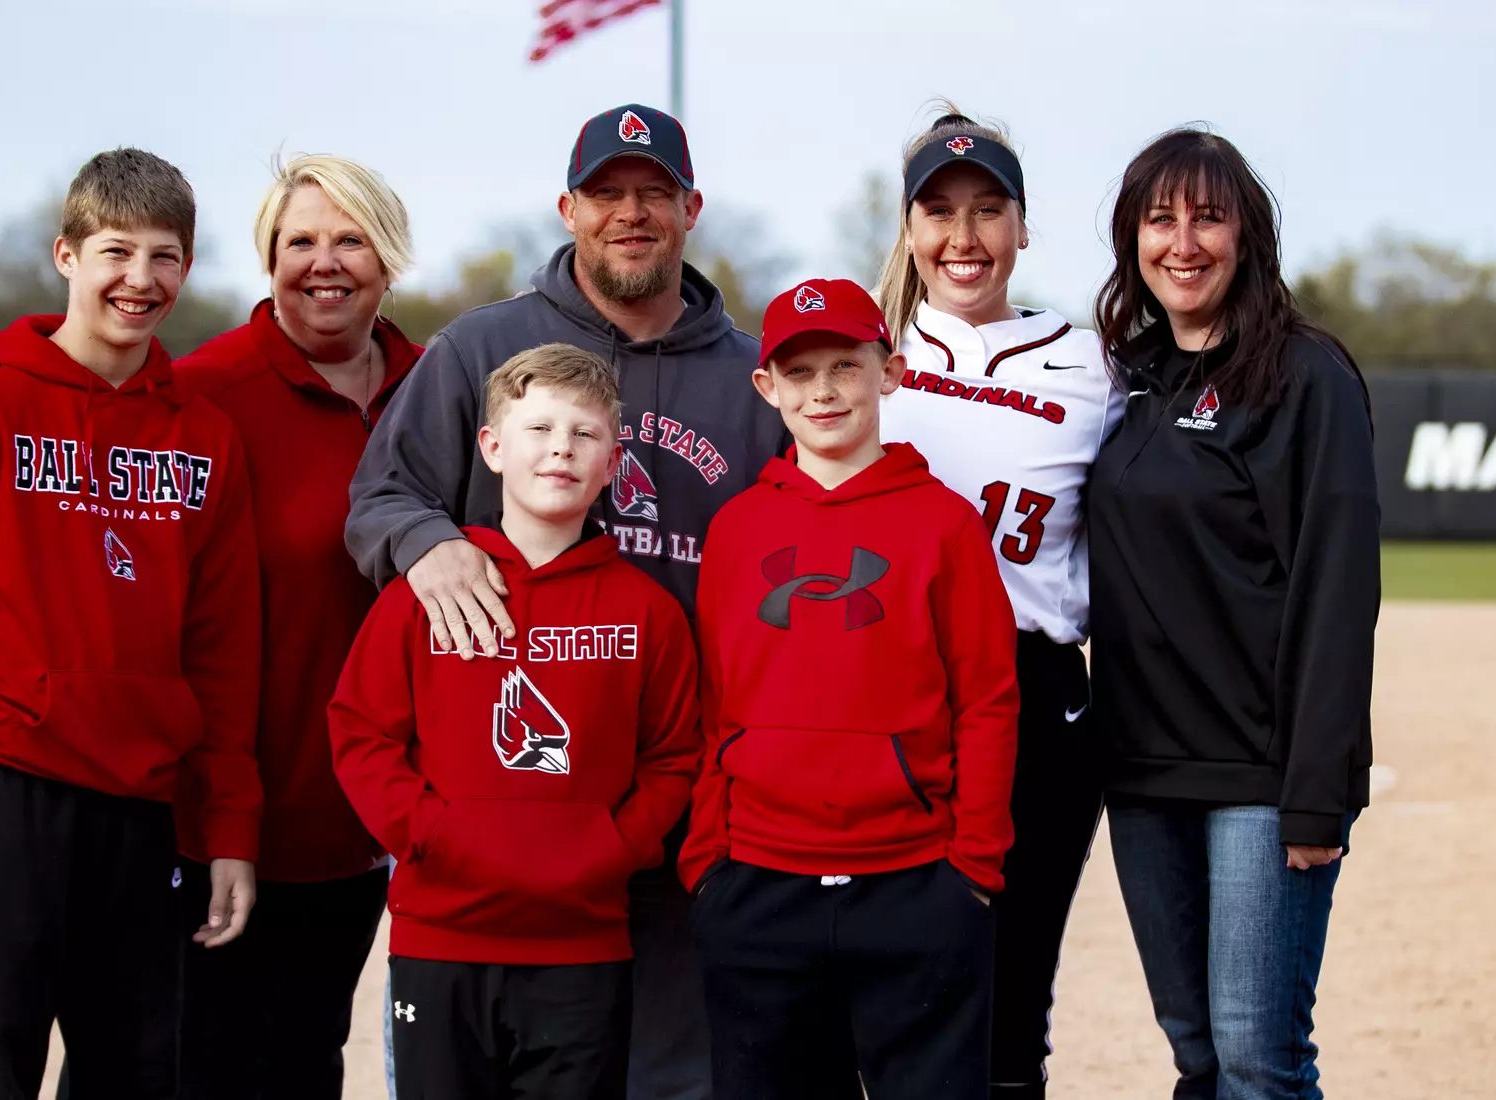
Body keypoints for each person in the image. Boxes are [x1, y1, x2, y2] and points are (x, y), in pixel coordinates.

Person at [345, 103, 787, 1099]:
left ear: (690, 209)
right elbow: (380, 496)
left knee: (671, 1072)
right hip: (505, 799)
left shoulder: (754, 377)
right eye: (606, 194)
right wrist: (429, 544)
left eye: (653, 194)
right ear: (569, 208)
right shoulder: (484, 347)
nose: (630, 213)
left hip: (679, 792)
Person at [0, 148, 262, 1099]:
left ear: (188, 271)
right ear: (67, 256)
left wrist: (229, 825)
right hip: (2, 786)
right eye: (116, 251)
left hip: (143, 801)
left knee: (135, 1073)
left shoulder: (204, 436)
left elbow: (226, 651)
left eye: (165, 257)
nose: (140, 279)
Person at [1087, 127, 1378, 1100]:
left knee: (1260, 1059)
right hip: (1142, 774)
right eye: (1160, 218)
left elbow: (1338, 593)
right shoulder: (1120, 378)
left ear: (1247, 234)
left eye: (1208, 216)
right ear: (1132, 236)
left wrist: (1317, 792)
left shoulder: (1306, 376)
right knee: (1199, 1056)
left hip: (1262, 775)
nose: (1184, 241)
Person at [680, 277, 1021, 1100]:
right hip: (758, 878)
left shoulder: (943, 522)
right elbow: (713, 702)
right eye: (799, 373)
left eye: (845, 366)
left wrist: (971, 865)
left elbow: (987, 699)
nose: (824, 391)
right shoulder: (738, 527)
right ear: (766, 387)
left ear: (891, 372)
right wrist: (707, 859)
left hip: (914, 880)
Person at [331, 343, 701, 1099]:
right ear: (493, 448)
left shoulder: (647, 614)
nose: (561, 447)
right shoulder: (424, 595)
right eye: (538, 429)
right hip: (442, 939)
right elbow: (361, 733)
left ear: (611, 465)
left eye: (584, 434)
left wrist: (614, 845)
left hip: (585, 947)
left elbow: (675, 756)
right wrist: (429, 835)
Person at [874, 105, 1125, 1100]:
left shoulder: (1098, 365)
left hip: (1035, 693)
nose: (964, 237)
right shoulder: (861, 355)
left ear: (1024, 227)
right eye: (939, 211)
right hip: (887, 694)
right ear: (908, 229)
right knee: (884, 988)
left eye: (989, 211)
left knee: (1014, 997)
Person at [164, 154, 424, 1098]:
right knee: (197, 1065)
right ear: (267, 258)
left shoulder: (439, 394)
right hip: (217, 817)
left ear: (388, 258)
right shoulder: (202, 395)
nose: (325, 262)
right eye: (299, 241)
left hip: (365, 819)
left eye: (349, 238)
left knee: (308, 1061)